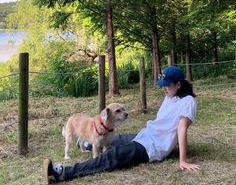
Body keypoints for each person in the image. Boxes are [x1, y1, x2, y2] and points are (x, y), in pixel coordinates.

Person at [43, 66, 200, 184]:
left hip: (153, 147)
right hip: (146, 135)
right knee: (112, 139)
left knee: (113, 155)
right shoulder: (170, 96)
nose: (163, 88)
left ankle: (62, 173)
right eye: (163, 84)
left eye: (167, 85)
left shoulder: (187, 102)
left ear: (178, 85)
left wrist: (183, 160)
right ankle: (87, 144)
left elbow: (181, 129)